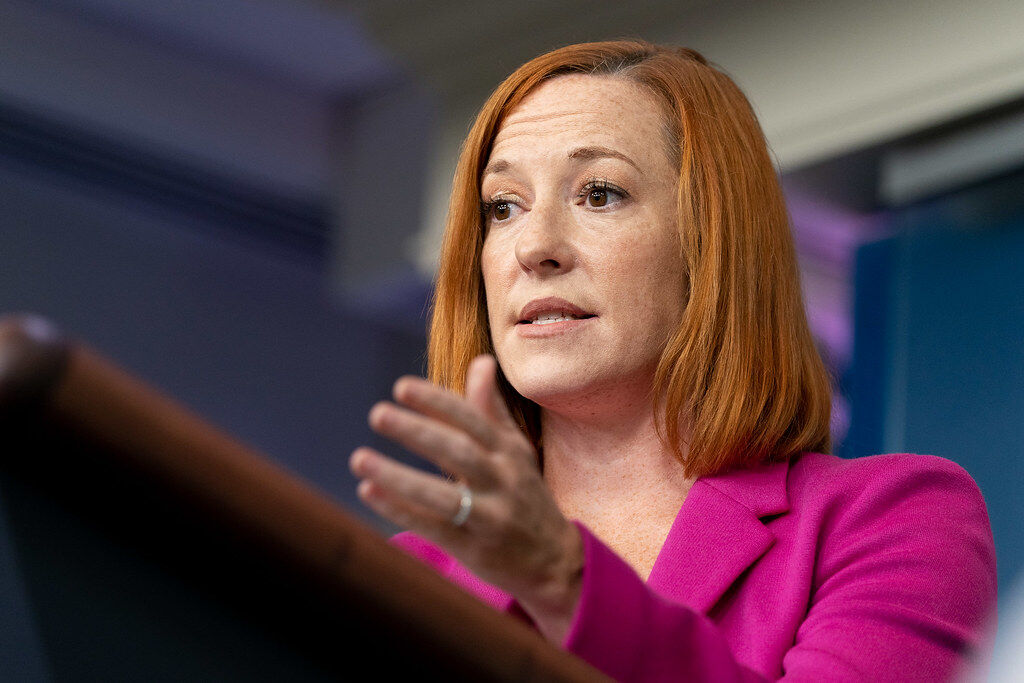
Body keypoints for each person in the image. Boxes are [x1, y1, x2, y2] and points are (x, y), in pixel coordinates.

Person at [348, 40, 996, 681]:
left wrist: (563, 581)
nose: (534, 247)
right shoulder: (406, 578)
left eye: (599, 193)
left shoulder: (889, 518)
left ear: (711, 243)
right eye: (503, 206)